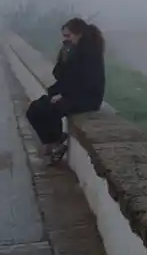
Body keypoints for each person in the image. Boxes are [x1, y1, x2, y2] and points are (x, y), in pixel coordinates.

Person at [26, 17, 105, 164]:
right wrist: (63, 58)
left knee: (52, 109)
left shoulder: (90, 52)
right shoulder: (71, 49)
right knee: (34, 109)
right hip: (71, 93)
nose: (66, 39)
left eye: (68, 36)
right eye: (64, 36)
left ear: (79, 34)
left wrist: (64, 95)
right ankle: (55, 141)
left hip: (88, 98)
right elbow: (58, 74)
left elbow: (87, 82)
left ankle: (54, 144)